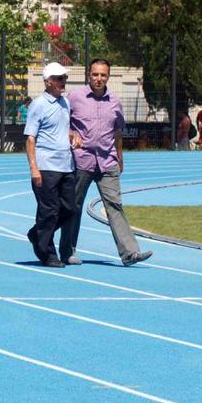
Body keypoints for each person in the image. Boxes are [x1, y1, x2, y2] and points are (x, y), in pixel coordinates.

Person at [62, 58, 152, 267]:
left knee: (115, 205)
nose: (99, 78)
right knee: (73, 206)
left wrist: (119, 156)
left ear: (108, 76)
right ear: (89, 75)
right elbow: (62, 123)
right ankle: (67, 251)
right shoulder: (75, 97)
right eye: (95, 74)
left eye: (103, 75)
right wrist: (71, 133)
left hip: (107, 161)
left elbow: (118, 131)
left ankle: (130, 253)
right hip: (81, 160)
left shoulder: (114, 101)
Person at [24, 62, 76, 268]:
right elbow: (30, 138)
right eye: (59, 78)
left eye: (65, 78)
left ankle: (37, 233)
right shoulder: (38, 105)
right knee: (49, 211)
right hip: (46, 166)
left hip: (66, 165)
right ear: (48, 82)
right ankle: (47, 254)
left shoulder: (65, 103)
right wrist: (34, 168)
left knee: (70, 209)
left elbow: (62, 128)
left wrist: (73, 135)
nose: (63, 81)